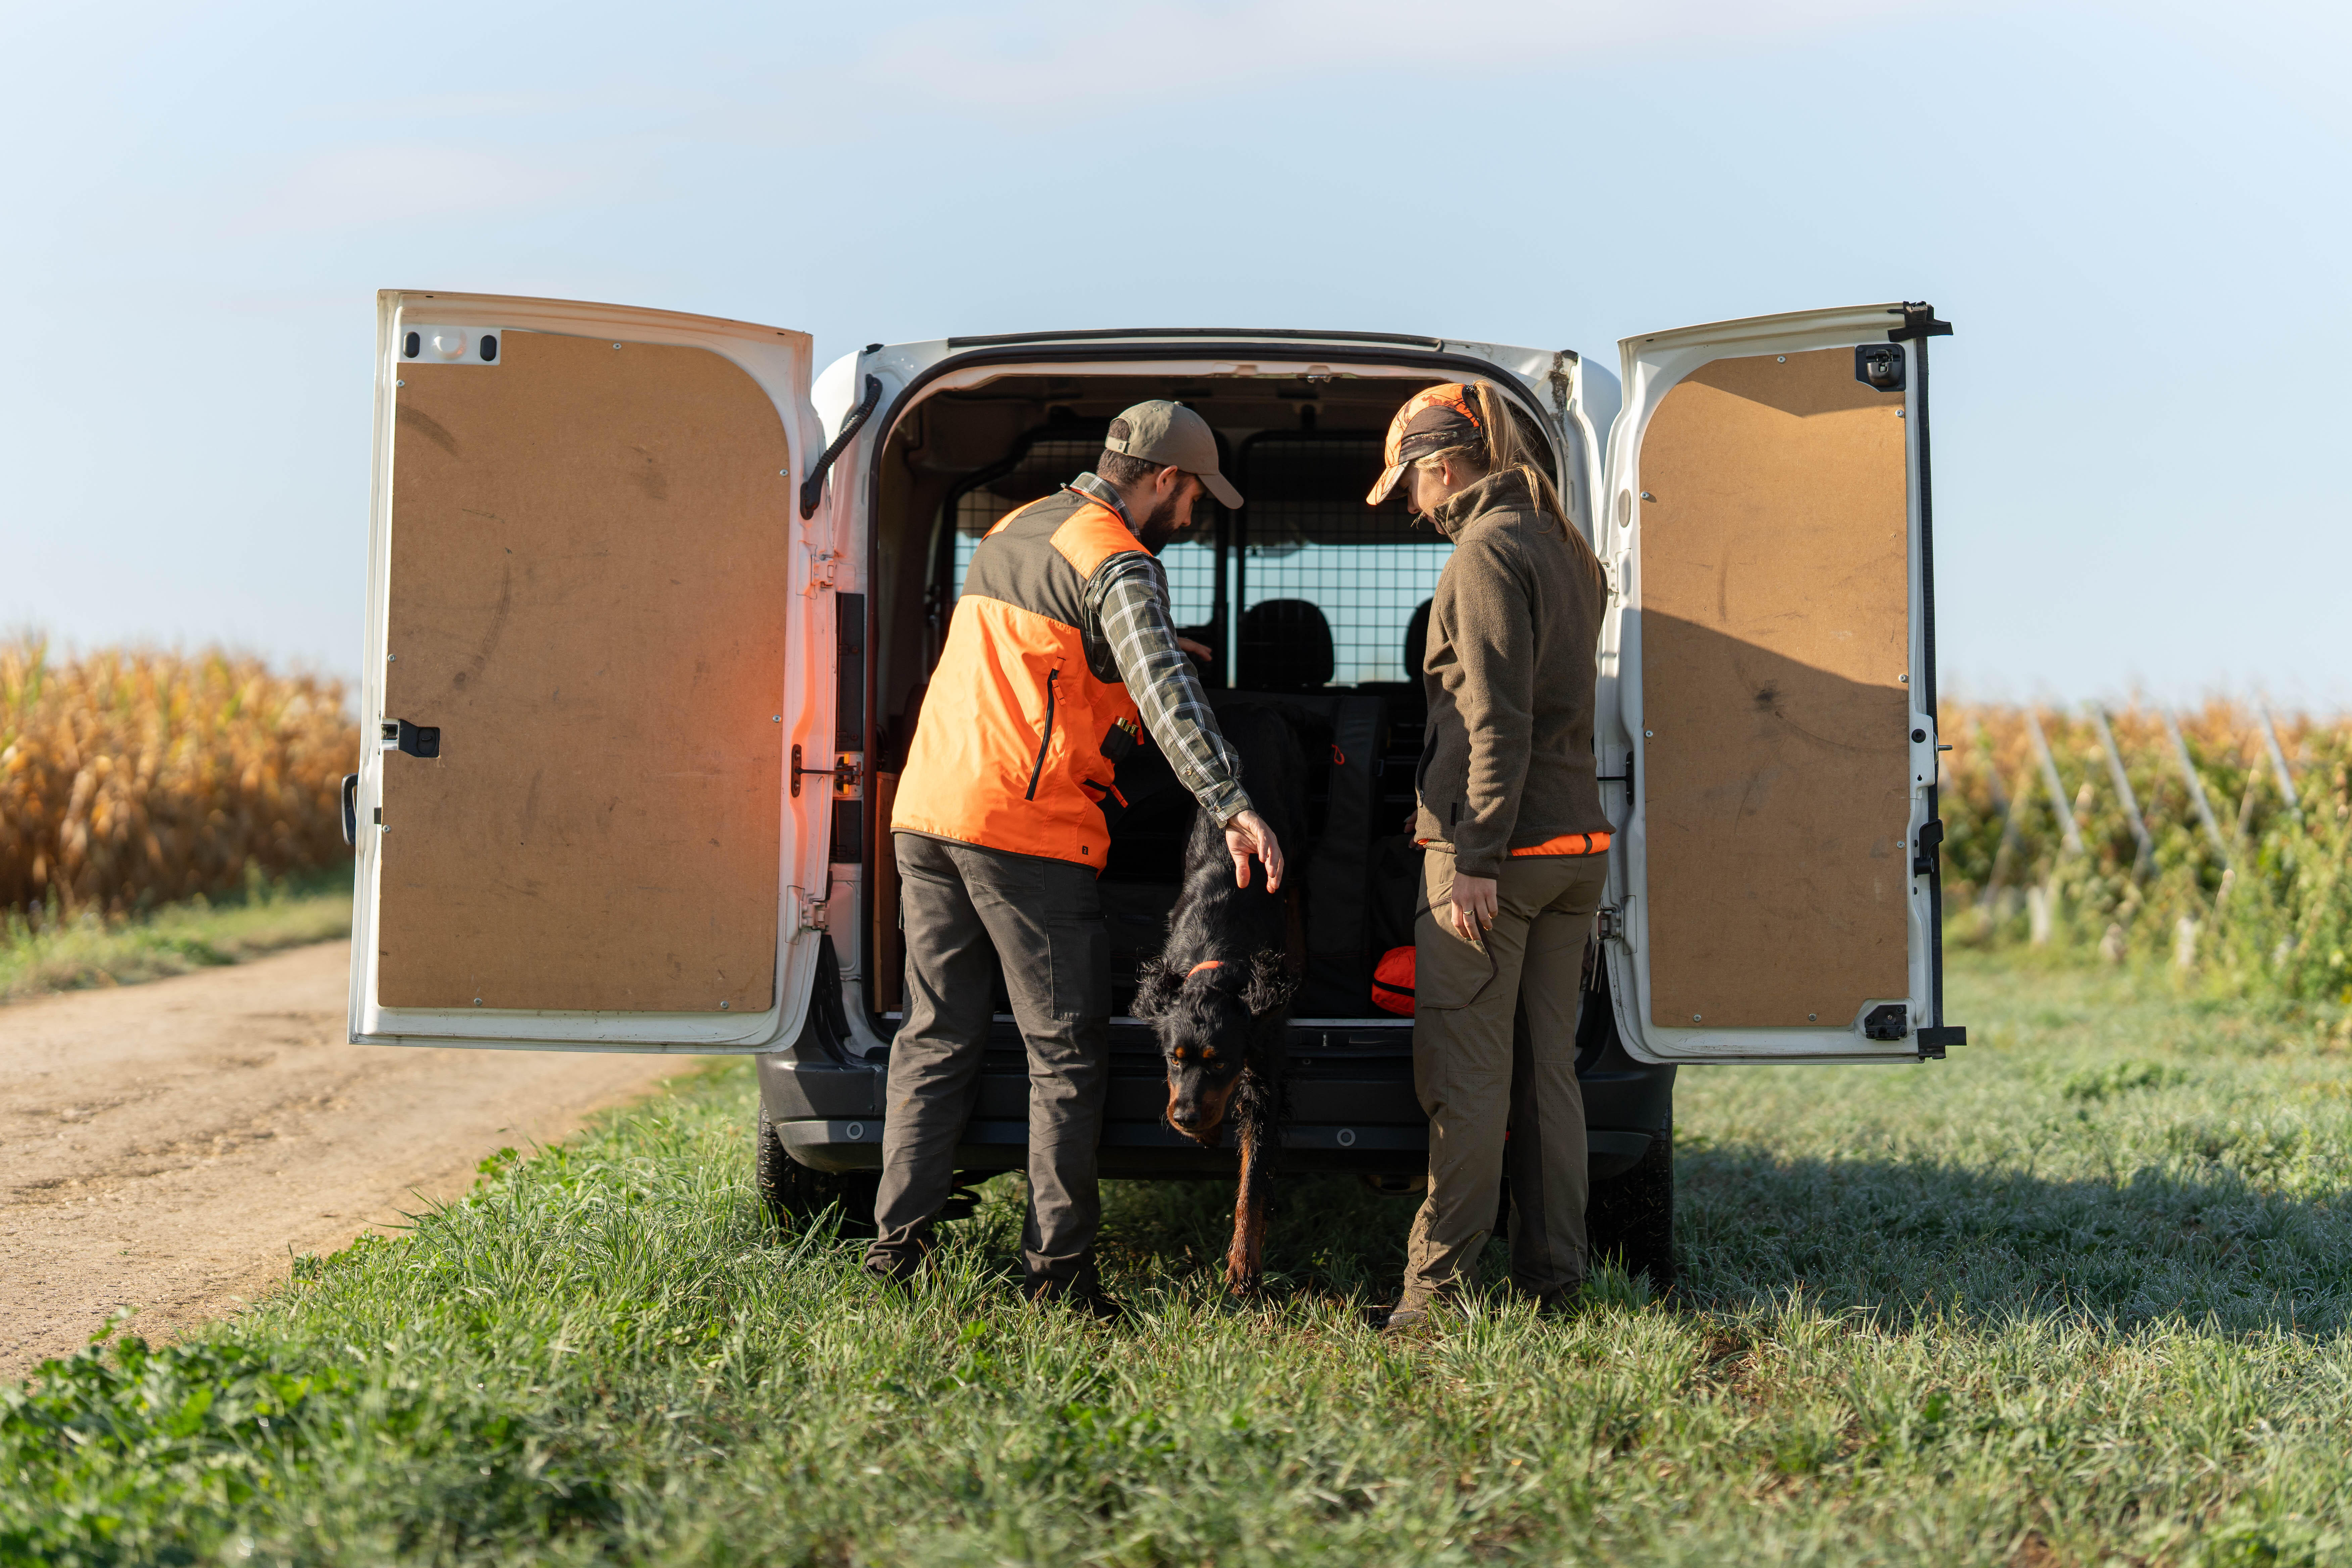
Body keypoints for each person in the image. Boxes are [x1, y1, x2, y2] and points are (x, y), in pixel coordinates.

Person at [874, 401, 1286, 1318]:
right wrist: (1231, 803)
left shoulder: (1016, 525)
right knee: (1064, 1053)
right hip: (1025, 830)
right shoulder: (1119, 558)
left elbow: (1033, 663)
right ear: (1164, 480)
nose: (1194, 517)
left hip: (931, 810)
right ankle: (1057, 1281)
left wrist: (1134, 648)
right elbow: (1166, 692)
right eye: (1194, 497)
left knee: (936, 1036)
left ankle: (896, 1255)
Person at [1369, 382, 1614, 1331]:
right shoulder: (1564, 544)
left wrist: (1473, 852)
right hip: (1573, 849)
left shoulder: (1484, 553)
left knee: (1467, 1080)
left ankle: (1433, 1300)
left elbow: (1494, 722)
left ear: (1442, 466)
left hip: (1499, 860)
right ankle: (1557, 1281)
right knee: (1546, 1075)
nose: (1414, 506)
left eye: (1412, 486)